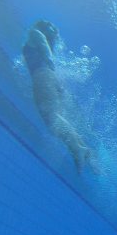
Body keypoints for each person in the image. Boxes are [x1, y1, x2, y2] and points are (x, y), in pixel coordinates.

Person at [22, 20, 98, 174]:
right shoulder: (46, 45)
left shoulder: (34, 33)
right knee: (59, 118)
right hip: (49, 77)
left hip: (42, 75)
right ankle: (83, 150)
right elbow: (44, 47)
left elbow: (42, 43)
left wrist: (49, 61)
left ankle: (78, 150)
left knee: (51, 117)